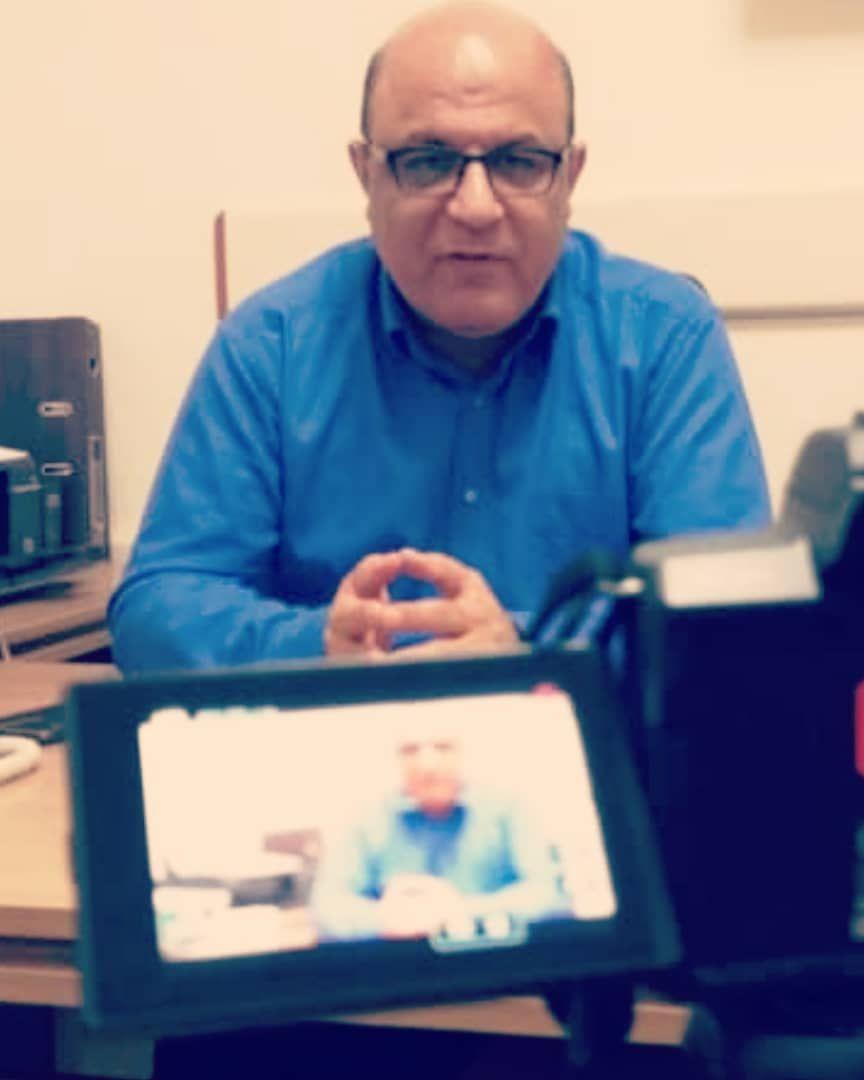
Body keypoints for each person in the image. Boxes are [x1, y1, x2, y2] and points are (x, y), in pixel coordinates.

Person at [109, 1, 770, 673]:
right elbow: (157, 611)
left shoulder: (664, 338)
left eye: (519, 161)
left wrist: (524, 650)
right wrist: (325, 644)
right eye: (428, 161)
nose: (476, 207)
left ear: (569, 178)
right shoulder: (269, 346)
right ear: (366, 174)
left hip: (583, 733)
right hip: (337, 730)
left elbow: (732, 625)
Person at [310, 730, 568, 941]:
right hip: (400, 970)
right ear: (396, 761)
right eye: (411, 750)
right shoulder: (365, 818)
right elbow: (327, 909)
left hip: (499, 962)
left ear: (463, 754)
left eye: (443, 747)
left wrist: (459, 912)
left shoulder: (509, 807)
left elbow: (547, 894)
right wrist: (386, 919)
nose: (428, 765)